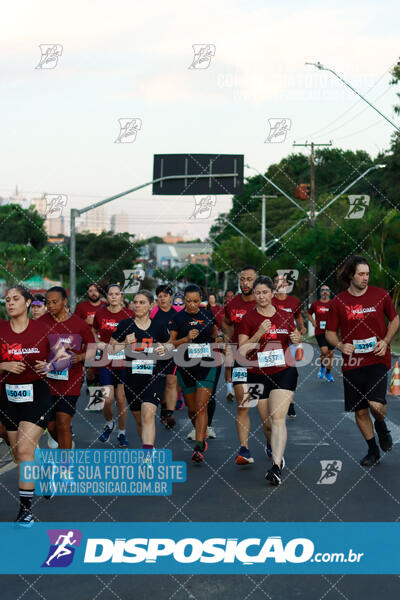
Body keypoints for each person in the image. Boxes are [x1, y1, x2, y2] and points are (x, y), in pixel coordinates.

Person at [326, 256, 399, 467]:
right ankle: (373, 450)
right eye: (361, 274)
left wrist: (386, 341)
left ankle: (382, 426)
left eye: (367, 274)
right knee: (360, 410)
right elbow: (330, 333)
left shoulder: (380, 295)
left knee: (376, 405)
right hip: (353, 362)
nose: (365, 278)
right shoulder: (338, 302)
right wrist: (340, 345)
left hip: (377, 359)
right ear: (351, 275)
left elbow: (395, 319)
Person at [238, 276, 301, 484]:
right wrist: (258, 334)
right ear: (253, 295)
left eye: (265, 292)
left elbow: (296, 339)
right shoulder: (248, 318)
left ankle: (276, 467)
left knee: (277, 418)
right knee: (266, 425)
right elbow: (242, 351)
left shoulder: (285, 315)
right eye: (258, 293)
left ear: (272, 294)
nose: (262, 296)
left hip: (284, 371)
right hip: (257, 374)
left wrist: (297, 339)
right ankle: (274, 447)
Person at [0, 286, 53, 524]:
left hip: (37, 395)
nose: (10, 303)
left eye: (15, 299)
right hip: (8, 396)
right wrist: (3, 366)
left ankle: (26, 510)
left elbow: (65, 357)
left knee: (23, 450)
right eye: (7, 300)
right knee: (20, 454)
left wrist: (51, 365)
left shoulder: (43, 329)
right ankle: (44, 474)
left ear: (28, 302)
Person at [168, 284, 222, 463]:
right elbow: (171, 344)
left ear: (201, 301)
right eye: (188, 301)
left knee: (200, 406)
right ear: (184, 300)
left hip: (207, 364)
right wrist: (186, 339)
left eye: (196, 301)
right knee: (192, 410)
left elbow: (216, 335)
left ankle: (199, 446)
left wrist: (221, 340)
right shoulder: (177, 318)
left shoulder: (207, 315)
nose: (192, 305)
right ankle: (201, 431)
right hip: (185, 366)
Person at [111, 290, 166, 458]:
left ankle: (147, 456)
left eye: (142, 302)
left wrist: (165, 349)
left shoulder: (159, 326)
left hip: (155, 376)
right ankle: (147, 445)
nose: (138, 305)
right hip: (132, 379)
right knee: (140, 419)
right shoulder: (125, 325)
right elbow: (110, 350)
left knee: (148, 413)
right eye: (135, 302)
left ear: (151, 306)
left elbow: (169, 347)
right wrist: (124, 343)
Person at [40, 286, 95, 449]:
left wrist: (81, 357)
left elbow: (93, 347)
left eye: (54, 302)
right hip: (46, 381)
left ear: (64, 301)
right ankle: (66, 445)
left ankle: (65, 466)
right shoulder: (41, 322)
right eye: (48, 302)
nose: (50, 306)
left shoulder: (79, 324)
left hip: (70, 380)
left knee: (63, 421)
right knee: (51, 426)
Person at [222, 266, 258, 462]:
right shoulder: (232, 303)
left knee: (265, 410)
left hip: (262, 361)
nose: (245, 283)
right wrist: (228, 337)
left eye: (249, 279)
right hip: (240, 359)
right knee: (243, 404)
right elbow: (226, 321)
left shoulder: (262, 301)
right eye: (242, 279)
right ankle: (244, 449)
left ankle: (271, 442)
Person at [92, 284, 133, 447]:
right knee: (106, 399)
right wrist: (98, 343)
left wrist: (120, 345)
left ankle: (122, 433)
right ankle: (109, 424)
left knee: (122, 400)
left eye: (117, 294)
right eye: (111, 294)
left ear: (121, 297)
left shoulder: (129, 314)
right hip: (105, 360)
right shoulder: (100, 313)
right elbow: (93, 331)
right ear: (107, 296)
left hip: (124, 360)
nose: (114, 297)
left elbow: (133, 338)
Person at [272, 273, 306, 418]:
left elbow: (298, 316)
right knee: (274, 371)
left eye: (283, 282)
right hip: (273, 340)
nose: (280, 284)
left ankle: (290, 402)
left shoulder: (293, 301)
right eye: (277, 282)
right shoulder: (270, 300)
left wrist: (302, 327)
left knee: (291, 372)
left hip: (290, 340)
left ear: (287, 285)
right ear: (274, 285)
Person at [150, 284, 180, 430]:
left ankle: (170, 414)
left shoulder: (178, 313)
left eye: (165, 296)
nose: (162, 299)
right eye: (160, 296)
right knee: (160, 385)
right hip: (157, 352)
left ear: (170, 297)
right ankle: (164, 406)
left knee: (171, 381)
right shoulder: (153, 313)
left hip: (173, 352)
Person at [307, 285, 335, 382]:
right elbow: (309, 313)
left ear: (329, 292)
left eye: (327, 290)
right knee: (324, 351)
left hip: (331, 332)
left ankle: (328, 373)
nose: (325, 292)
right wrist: (312, 321)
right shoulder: (315, 304)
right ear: (320, 292)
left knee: (330, 354)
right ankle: (322, 368)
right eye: (323, 290)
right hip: (320, 332)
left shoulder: (333, 304)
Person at [222, 289, 235, 402]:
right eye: (228, 297)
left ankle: (238, 387)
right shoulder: (222, 310)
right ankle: (229, 390)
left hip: (241, 341)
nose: (230, 299)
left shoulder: (238, 308)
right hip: (227, 342)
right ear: (225, 298)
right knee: (228, 365)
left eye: (232, 296)